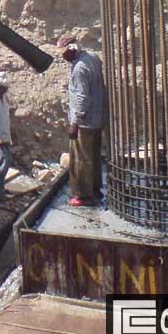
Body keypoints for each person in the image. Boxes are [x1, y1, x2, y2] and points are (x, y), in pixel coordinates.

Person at [58, 34, 106, 207]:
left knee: (81, 159)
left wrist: (75, 123)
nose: (62, 57)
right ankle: (95, 190)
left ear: (71, 49)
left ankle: (83, 196)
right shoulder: (93, 57)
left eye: (64, 53)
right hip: (97, 118)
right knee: (94, 156)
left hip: (85, 122)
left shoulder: (78, 68)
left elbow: (82, 97)